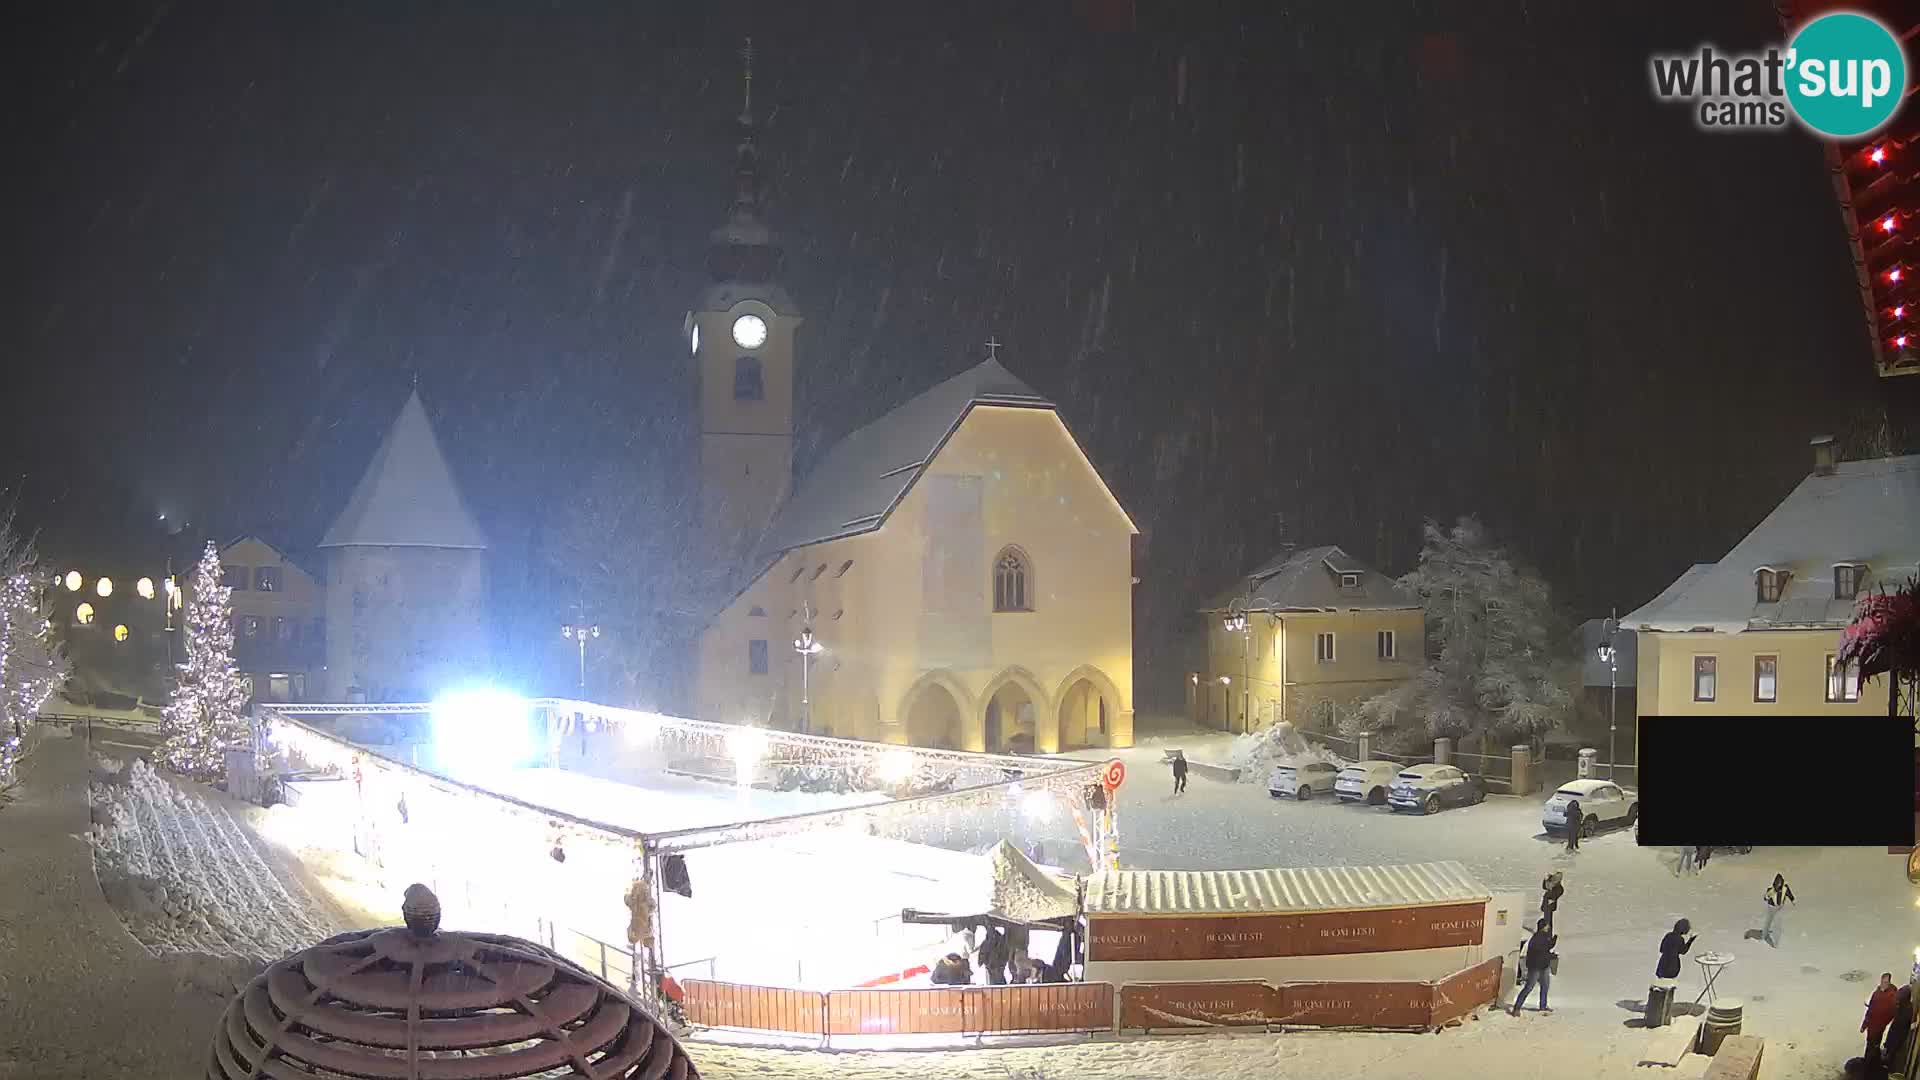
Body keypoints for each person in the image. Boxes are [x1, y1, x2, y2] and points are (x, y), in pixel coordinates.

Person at [1510, 918, 1557, 1015]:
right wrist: (1551, 955)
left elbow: (1546, 947)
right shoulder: (1536, 938)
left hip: (1544, 965)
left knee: (1545, 986)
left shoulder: (1543, 936)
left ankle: (1543, 1006)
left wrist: (1553, 941)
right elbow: (1541, 952)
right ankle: (1516, 1008)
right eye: (1546, 925)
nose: (1548, 927)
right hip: (1535, 967)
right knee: (1529, 987)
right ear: (1542, 927)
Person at [1866, 973, 1900, 1062]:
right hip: (1872, 1025)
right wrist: (1864, 1024)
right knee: (1870, 1043)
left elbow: (1893, 1011)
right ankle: (1869, 1060)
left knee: (1875, 1043)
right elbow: (1870, 1009)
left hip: (1880, 1025)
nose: (1884, 984)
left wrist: (1886, 1022)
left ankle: (1871, 1061)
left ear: (1889, 983)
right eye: (1883, 982)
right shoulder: (1876, 993)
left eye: (1886, 982)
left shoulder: (1892, 995)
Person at [1884, 985, 1914, 1071]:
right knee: (1891, 1051)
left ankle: (1888, 1067)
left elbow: (1899, 1031)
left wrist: (1890, 1044)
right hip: (1895, 1034)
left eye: (1899, 999)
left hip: (1897, 1038)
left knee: (1892, 1053)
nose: (1897, 1001)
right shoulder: (1905, 1006)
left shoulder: (1906, 1013)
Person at [1761, 874, 1795, 948]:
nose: (1778, 887)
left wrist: (1793, 900)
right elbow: (1765, 898)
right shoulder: (1770, 890)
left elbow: (1790, 894)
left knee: (1777, 924)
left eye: (1779, 885)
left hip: (1779, 908)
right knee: (1768, 921)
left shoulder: (1785, 888)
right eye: (1777, 885)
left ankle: (1776, 942)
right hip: (1771, 907)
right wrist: (1768, 895)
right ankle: (1764, 935)